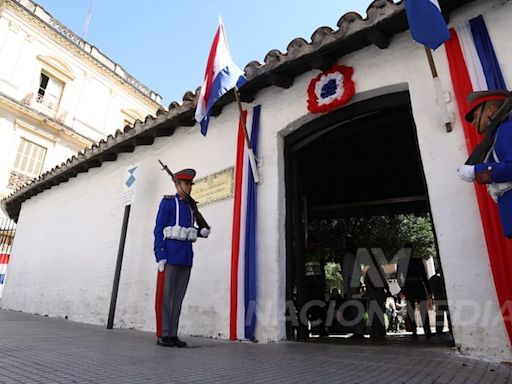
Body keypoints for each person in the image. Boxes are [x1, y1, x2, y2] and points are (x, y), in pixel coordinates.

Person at [153, 168, 210, 347]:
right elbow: (158, 229)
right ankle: (163, 334)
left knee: (178, 298)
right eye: (185, 184)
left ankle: (173, 333)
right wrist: (160, 254)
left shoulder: (190, 207)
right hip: (170, 255)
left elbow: (187, 231)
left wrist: (202, 231)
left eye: (190, 184)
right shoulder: (168, 203)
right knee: (166, 297)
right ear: (177, 185)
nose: (189, 187)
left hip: (185, 257)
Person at [457, 90, 512, 238]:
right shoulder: (498, 134)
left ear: (490, 110)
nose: (473, 122)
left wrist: (477, 171)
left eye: (475, 116)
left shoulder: (507, 129)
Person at [401, 256, 432, 337]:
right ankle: (426, 330)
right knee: (422, 309)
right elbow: (424, 276)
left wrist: (402, 288)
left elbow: (399, 276)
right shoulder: (417, 260)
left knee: (411, 310)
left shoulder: (403, 261)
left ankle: (414, 330)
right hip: (418, 285)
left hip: (410, 286)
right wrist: (428, 290)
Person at [429, 269, 448, 334]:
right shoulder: (443, 278)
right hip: (445, 298)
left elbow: (430, 289)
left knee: (439, 315)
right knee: (448, 315)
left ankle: (439, 329)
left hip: (437, 299)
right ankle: (450, 329)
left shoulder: (432, 279)